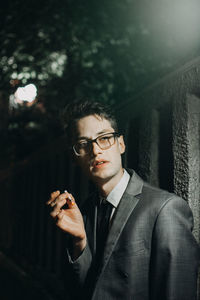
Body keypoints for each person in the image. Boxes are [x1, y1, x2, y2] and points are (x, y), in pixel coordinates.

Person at [47, 100, 200, 300]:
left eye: (104, 138)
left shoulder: (165, 209)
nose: (95, 151)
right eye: (83, 144)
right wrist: (79, 242)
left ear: (121, 144)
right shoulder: (82, 211)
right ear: (75, 158)